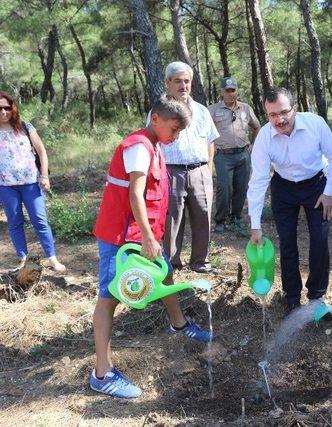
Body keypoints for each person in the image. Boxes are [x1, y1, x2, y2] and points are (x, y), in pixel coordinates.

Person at [91, 95, 213, 399]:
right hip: (121, 237)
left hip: (141, 234)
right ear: (155, 119)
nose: (176, 136)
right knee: (109, 297)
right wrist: (147, 236)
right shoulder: (139, 147)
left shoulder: (155, 145)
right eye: (174, 129)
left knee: (166, 274)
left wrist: (150, 236)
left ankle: (179, 324)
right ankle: (102, 374)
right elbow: (135, 193)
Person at [247, 88, 332, 314]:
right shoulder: (263, 137)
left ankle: (317, 297)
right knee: (287, 243)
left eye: (284, 112)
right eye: (272, 115)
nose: (279, 120)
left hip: (317, 185)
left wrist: (329, 192)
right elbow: (258, 180)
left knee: (319, 241)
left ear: (295, 109)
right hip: (284, 187)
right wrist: (255, 225)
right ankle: (291, 297)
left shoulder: (315, 124)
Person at [157, 61, 220, 273]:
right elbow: (153, 143)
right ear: (167, 83)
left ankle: (200, 262)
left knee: (203, 216)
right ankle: (171, 263)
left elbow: (211, 141)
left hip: (200, 170)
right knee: (172, 219)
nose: (183, 86)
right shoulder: (159, 111)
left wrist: (208, 170)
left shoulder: (202, 111)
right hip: (170, 172)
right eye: (178, 81)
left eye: (187, 81)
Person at [0, 91, 65, 273]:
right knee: (15, 221)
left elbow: (42, 151)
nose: (4, 112)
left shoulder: (25, 127)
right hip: (6, 187)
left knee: (39, 220)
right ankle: (22, 259)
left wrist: (44, 176)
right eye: (0, 108)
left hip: (31, 183)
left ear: (13, 108)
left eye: (7, 107)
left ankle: (52, 258)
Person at [208, 77, 261, 233]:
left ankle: (236, 217)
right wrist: (211, 148)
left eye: (234, 90)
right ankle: (220, 220)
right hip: (223, 155)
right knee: (224, 188)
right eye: (228, 91)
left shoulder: (245, 108)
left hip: (243, 154)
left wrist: (252, 145)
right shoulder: (212, 110)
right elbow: (204, 132)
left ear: (237, 91)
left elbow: (257, 127)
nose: (231, 94)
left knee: (242, 187)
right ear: (222, 92)